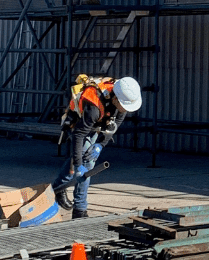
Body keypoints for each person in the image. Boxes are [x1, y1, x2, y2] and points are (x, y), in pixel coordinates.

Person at [52, 75, 142, 218]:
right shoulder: (94, 106)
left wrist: (100, 144)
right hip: (78, 124)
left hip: (97, 125)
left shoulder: (121, 104)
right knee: (84, 165)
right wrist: (78, 164)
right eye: (124, 106)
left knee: (84, 162)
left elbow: (115, 124)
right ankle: (79, 209)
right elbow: (78, 135)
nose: (126, 110)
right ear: (115, 99)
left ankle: (58, 189)